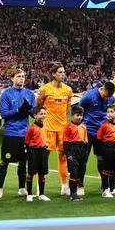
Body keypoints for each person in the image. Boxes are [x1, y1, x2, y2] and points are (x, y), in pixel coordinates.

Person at [0, 67, 34, 199]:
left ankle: (21, 188)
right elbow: (4, 114)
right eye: (18, 76)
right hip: (11, 133)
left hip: (25, 133)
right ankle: (0, 189)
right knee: (4, 161)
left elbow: (34, 114)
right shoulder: (6, 94)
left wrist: (30, 110)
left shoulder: (29, 93)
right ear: (12, 78)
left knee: (23, 162)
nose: (21, 78)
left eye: (23, 76)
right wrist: (19, 109)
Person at [36, 65, 73, 195]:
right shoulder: (45, 89)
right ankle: (40, 186)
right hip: (48, 128)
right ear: (53, 74)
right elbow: (38, 104)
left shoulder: (68, 90)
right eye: (60, 72)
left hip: (63, 128)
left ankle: (64, 186)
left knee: (63, 157)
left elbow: (67, 108)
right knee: (44, 157)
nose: (63, 74)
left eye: (64, 72)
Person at [80, 80, 115, 188]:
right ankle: (80, 185)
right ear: (102, 89)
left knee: (102, 158)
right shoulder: (89, 96)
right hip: (88, 131)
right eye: (105, 95)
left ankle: (104, 185)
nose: (106, 98)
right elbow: (79, 111)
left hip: (102, 132)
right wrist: (81, 126)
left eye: (108, 96)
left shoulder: (111, 98)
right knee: (83, 158)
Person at [24, 106, 51, 201]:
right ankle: (30, 194)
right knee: (30, 173)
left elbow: (47, 138)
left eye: (44, 113)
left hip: (43, 152)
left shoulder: (45, 127)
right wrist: (28, 153)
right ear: (35, 116)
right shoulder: (31, 128)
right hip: (33, 152)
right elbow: (27, 141)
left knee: (42, 173)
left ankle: (42, 194)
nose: (43, 115)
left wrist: (47, 143)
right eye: (41, 114)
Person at [97, 104, 115, 198]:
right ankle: (105, 189)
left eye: (111, 112)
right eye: (108, 112)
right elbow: (99, 138)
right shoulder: (104, 125)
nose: (109, 114)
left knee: (113, 169)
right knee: (106, 169)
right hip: (107, 147)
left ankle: (112, 189)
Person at [63, 105, 89, 202]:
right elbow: (65, 142)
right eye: (77, 115)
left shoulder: (83, 127)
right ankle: (72, 193)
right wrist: (68, 154)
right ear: (72, 116)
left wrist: (86, 153)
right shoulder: (68, 127)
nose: (79, 117)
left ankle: (76, 191)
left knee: (80, 172)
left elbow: (86, 141)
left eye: (81, 115)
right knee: (74, 172)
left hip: (82, 150)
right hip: (73, 150)